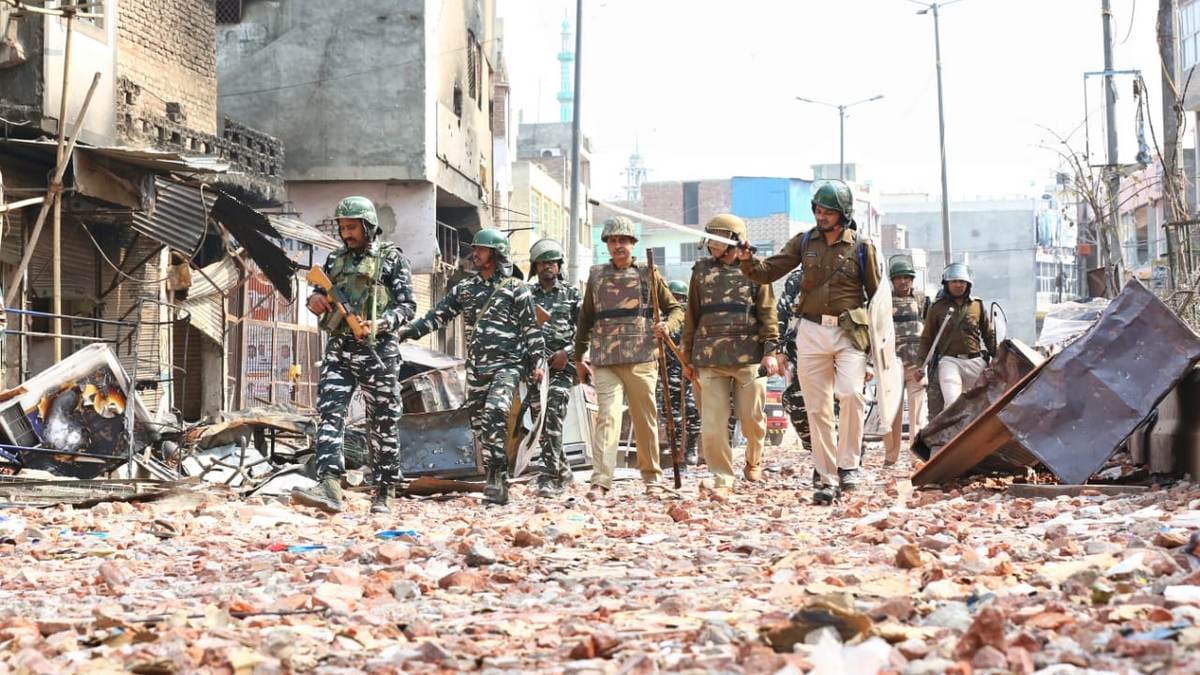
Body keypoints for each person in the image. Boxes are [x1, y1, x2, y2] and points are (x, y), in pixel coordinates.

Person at [736, 180, 880, 504]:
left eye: (827, 210)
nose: (820, 214)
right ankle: (826, 479)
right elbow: (765, 272)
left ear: (842, 213)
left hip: (849, 333)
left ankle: (849, 466)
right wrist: (746, 259)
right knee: (817, 409)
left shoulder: (861, 247)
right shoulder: (803, 242)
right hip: (811, 332)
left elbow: (877, 301)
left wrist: (874, 354)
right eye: (817, 208)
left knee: (851, 395)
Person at [400, 228, 544, 505]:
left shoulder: (517, 289)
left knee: (495, 412)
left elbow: (531, 330)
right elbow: (436, 316)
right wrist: (405, 332)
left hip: (508, 365)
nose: (474, 253)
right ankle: (495, 474)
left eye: (481, 249)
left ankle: (496, 476)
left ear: (496, 253)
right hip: (477, 368)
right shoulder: (465, 289)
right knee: (479, 423)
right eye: (475, 249)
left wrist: (537, 362)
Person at [292, 196, 415, 514]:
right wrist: (316, 301)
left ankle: (385, 490)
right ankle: (330, 485)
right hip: (340, 350)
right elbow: (320, 294)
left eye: (352, 227)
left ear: (368, 226)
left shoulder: (391, 259)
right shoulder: (334, 260)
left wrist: (381, 323)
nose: (346, 233)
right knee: (330, 415)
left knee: (383, 423)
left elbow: (408, 306)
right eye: (343, 227)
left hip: (379, 351)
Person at [574, 216, 684, 499]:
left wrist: (667, 327)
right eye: (612, 241)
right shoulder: (597, 276)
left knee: (644, 418)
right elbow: (586, 318)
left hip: (641, 357)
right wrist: (578, 356)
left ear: (633, 243)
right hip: (605, 360)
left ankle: (651, 479)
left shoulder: (648, 273)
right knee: (607, 418)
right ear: (607, 245)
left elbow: (676, 310)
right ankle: (600, 481)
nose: (617, 245)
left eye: (622, 240)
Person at [682, 214, 779, 497]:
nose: (710, 244)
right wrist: (688, 358)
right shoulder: (700, 271)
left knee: (751, 419)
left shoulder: (755, 271)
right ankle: (722, 477)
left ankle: (753, 460)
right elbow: (692, 316)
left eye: (716, 238)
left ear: (731, 241)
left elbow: (768, 314)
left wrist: (770, 352)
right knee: (712, 425)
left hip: (748, 359)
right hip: (710, 359)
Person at [527, 238, 581, 497]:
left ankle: (548, 478)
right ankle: (563, 470)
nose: (547, 267)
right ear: (535, 267)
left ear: (559, 265)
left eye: (552, 262)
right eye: (542, 263)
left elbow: (586, 331)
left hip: (563, 367)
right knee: (542, 421)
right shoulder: (526, 295)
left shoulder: (572, 294)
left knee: (552, 415)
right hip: (537, 368)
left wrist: (567, 353)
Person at [917, 262, 996, 409]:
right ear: (946, 284)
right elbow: (927, 339)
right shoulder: (937, 308)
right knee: (952, 405)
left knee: (980, 407)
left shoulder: (977, 305)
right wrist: (920, 364)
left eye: (962, 281)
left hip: (976, 361)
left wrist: (998, 357)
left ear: (968, 284)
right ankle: (955, 433)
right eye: (954, 281)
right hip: (950, 361)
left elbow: (989, 335)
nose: (958, 285)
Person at [883, 256, 930, 466]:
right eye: (899, 278)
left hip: (916, 367)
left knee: (918, 415)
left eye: (907, 278)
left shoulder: (922, 301)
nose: (903, 282)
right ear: (892, 280)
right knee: (891, 415)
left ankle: (916, 457)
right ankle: (890, 457)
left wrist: (928, 363)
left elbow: (931, 331)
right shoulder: (883, 302)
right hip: (891, 367)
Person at [656, 280, 701, 466]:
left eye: (681, 298)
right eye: (674, 297)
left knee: (692, 410)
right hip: (665, 374)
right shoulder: (660, 320)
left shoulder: (691, 319)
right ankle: (676, 453)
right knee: (670, 414)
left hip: (687, 372)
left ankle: (690, 447)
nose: (678, 301)